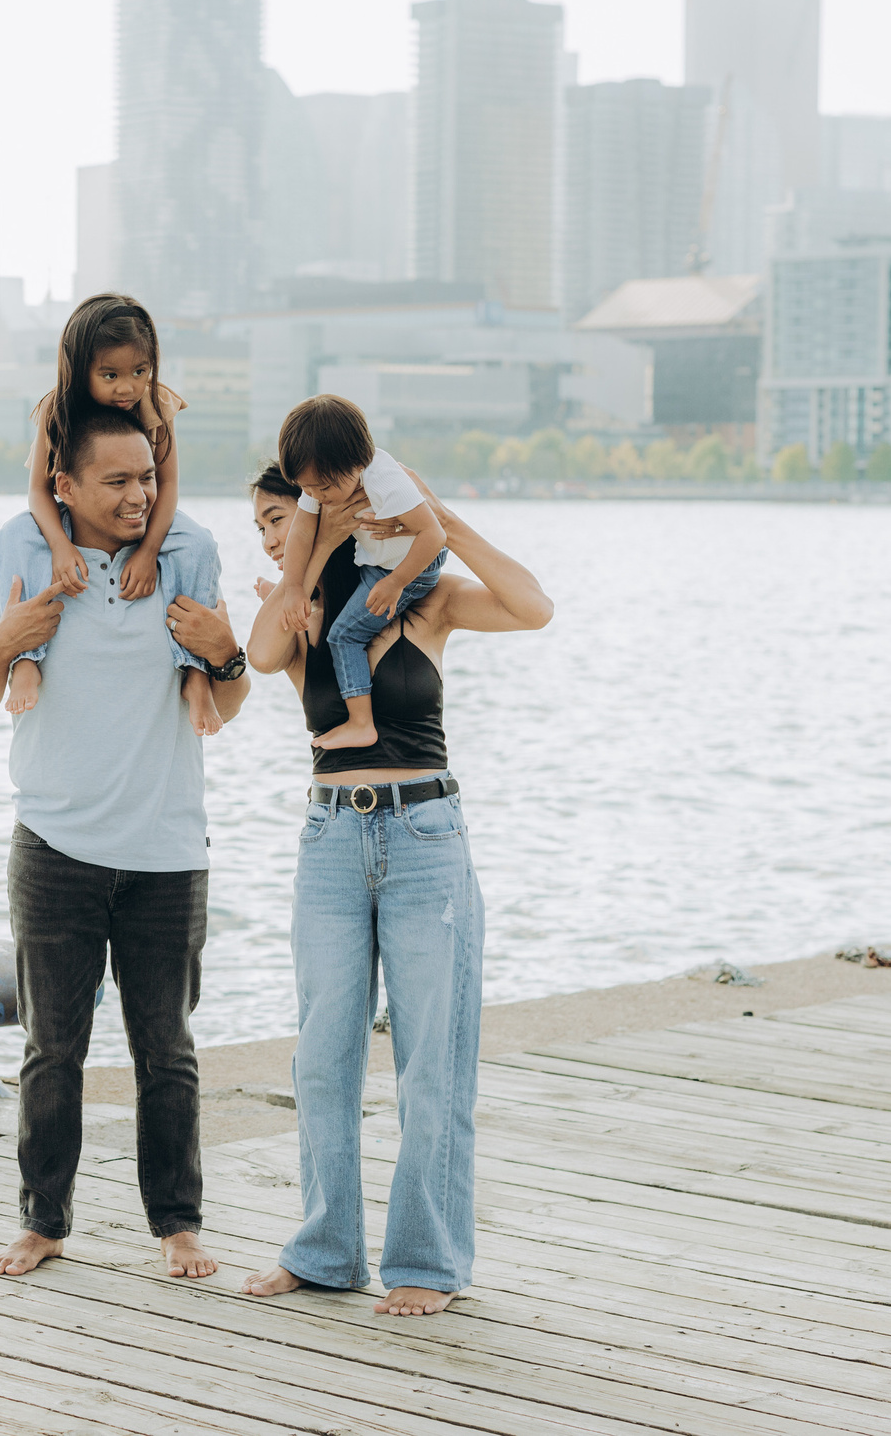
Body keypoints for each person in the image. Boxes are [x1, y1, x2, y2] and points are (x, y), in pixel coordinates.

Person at [238, 451, 552, 1318]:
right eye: (265, 524)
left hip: (424, 835)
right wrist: (302, 553)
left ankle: (426, 1260)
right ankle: (324, 1249)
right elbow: (263, 654)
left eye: (281, 516)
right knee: (323, 1056)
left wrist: (433, 516)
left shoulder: (425, 599)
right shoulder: (295, 607)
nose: (272, 537)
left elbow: (534, 606)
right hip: (331, 838)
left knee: (432, 1062)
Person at [0, 405, 252, 1281]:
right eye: (116, 481)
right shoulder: (28, 568)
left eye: (146, 478)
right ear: (64, 485)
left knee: (168, 1050)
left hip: (166, 849)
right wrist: (8, 641)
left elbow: (222, 707)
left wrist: (227, 656)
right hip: (55, 845)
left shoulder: (183, 560)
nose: (137, 495)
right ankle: (43, 1221)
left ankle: (179, 1224)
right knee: (54, 1047)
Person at [0, 294, 217, 735]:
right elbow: (38, 492)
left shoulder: (156, 406)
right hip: (74, 514)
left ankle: (195, 673)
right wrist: (59, 545)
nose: (127, 388)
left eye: (140, 372)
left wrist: (149, 551)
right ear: (80, 371)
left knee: (198, 543)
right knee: (16, 536)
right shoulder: (56, 411)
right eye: (110, 375)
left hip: (147, 520)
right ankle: (25, 659)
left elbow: (167, 485)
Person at [263, 395, 448, 753]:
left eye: (323, 488)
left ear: (356, 464)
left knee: (343, 636)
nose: (316, 496)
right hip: (380, 563)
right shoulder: (324, 479)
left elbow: (435, 536)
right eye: (307, 488)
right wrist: (292, 590)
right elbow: (302, 531)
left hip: (414, 566)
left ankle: (361, 723)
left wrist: (396, 583)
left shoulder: (385, 481)